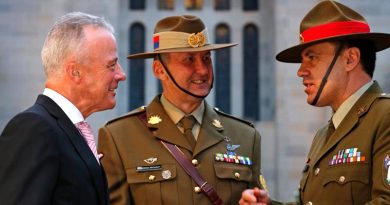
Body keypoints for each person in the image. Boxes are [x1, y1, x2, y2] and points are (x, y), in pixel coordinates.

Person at [98, 15, 269, 205]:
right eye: (189, 59)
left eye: (206, 59)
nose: (202, 70)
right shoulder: (119, 137)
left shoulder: (245, 136)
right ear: (159, 70)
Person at [240, 1, 390, 205]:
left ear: (350, 59)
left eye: (312, 57)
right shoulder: (324, 135)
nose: (300, 71)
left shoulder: (385, 117)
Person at [0, 12, 126, 205]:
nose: (121, 74)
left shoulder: (66, 129)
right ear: (75, 72)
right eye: (111, 65)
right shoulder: (34, 129)